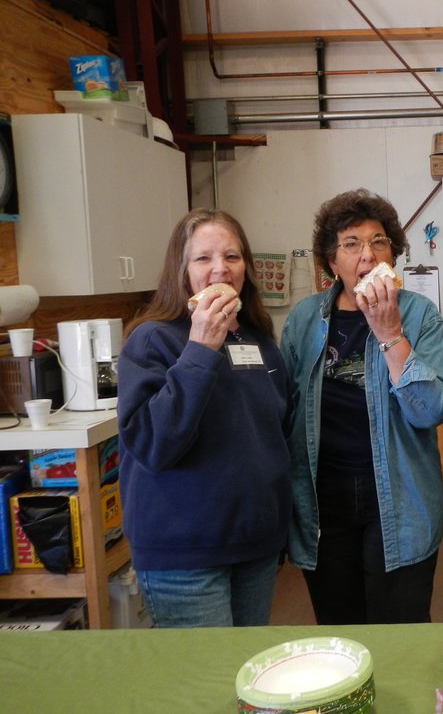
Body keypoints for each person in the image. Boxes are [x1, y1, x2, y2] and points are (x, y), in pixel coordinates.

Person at [281, 189, 443, 624]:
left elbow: (434, 409)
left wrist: (390, 333)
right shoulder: (304, 319)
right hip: (323, 501)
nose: (367, 253)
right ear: (331, 261)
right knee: (339, 628)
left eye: (379, 241)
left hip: (400, 497)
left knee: (400, 628)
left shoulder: (418, 314)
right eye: (351, 243)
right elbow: (283, 411)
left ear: (392, 255)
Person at [117, 208, 292, 628]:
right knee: (204, 683)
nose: (221, 269)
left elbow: (275, 434)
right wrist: (199, 349)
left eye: (232, 257)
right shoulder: (151, 340)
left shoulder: (258, 339)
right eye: (203, 258)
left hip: (254, 545)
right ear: (181, 270)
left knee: (248, 676)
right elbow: (154, 444)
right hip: (185, 554)